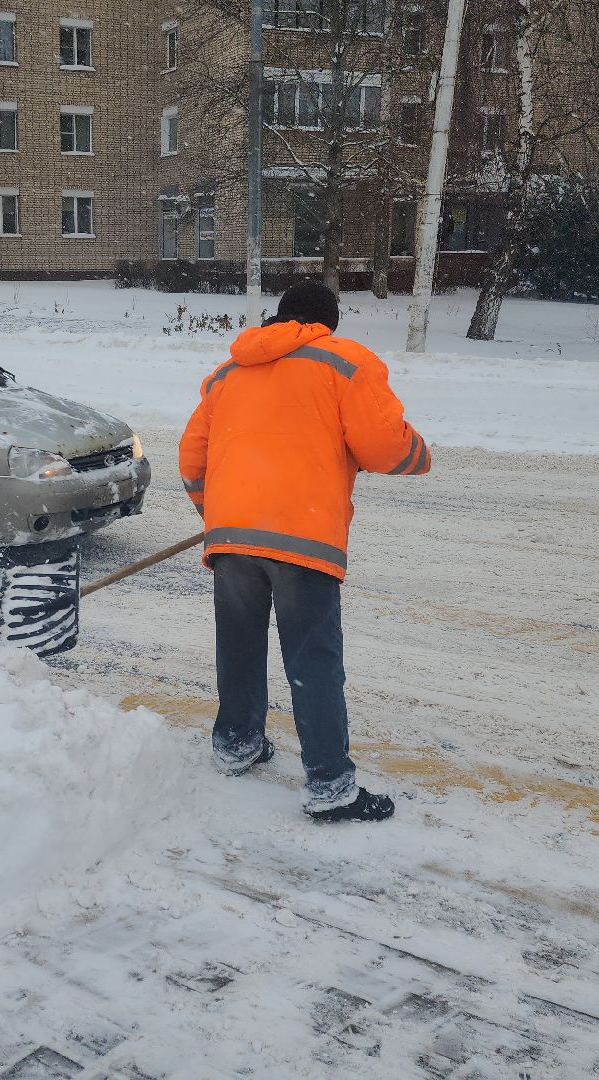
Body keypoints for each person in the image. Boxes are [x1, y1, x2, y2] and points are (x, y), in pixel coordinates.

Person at [179, 281, 431, 823]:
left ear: (279, 316)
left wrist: (216, 513)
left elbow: (192, 459)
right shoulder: (343, 362)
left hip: (231, 536)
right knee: (313, 660)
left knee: (238, 646)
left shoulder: (228, 372)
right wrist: (420, 455)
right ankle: (330, 785)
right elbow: (386, 447)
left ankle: (237, 744)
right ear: (327, 323)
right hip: (303, 536)